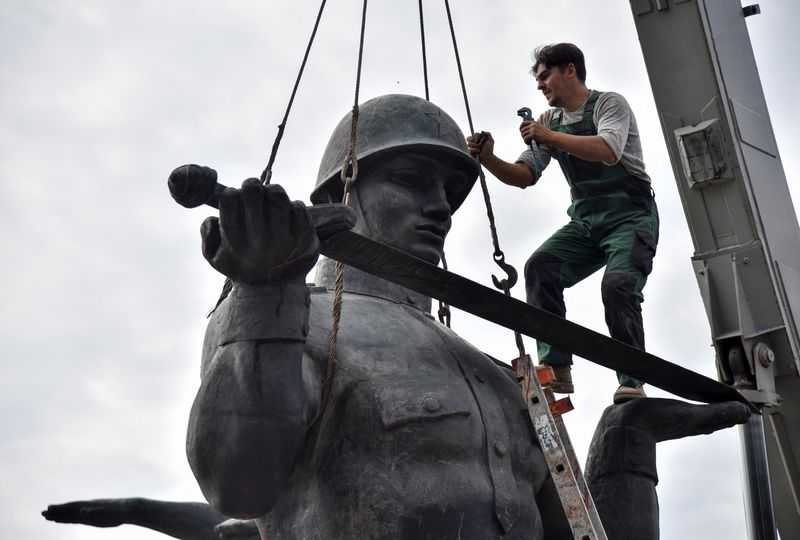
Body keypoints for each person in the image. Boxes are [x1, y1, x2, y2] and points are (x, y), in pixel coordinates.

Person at [468, 43, 659, 404]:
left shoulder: (608, 104)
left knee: (618, 286)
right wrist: (489, 158)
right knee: (540, 268)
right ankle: (556, 367)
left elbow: (608, 150)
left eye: (545, 76)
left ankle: (632, 379)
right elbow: (524, 175)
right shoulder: (547, 123)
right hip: (587, 224)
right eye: (538, 80)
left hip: (631, 220)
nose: (540, 85)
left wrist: (549, 138)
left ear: (569, 70)